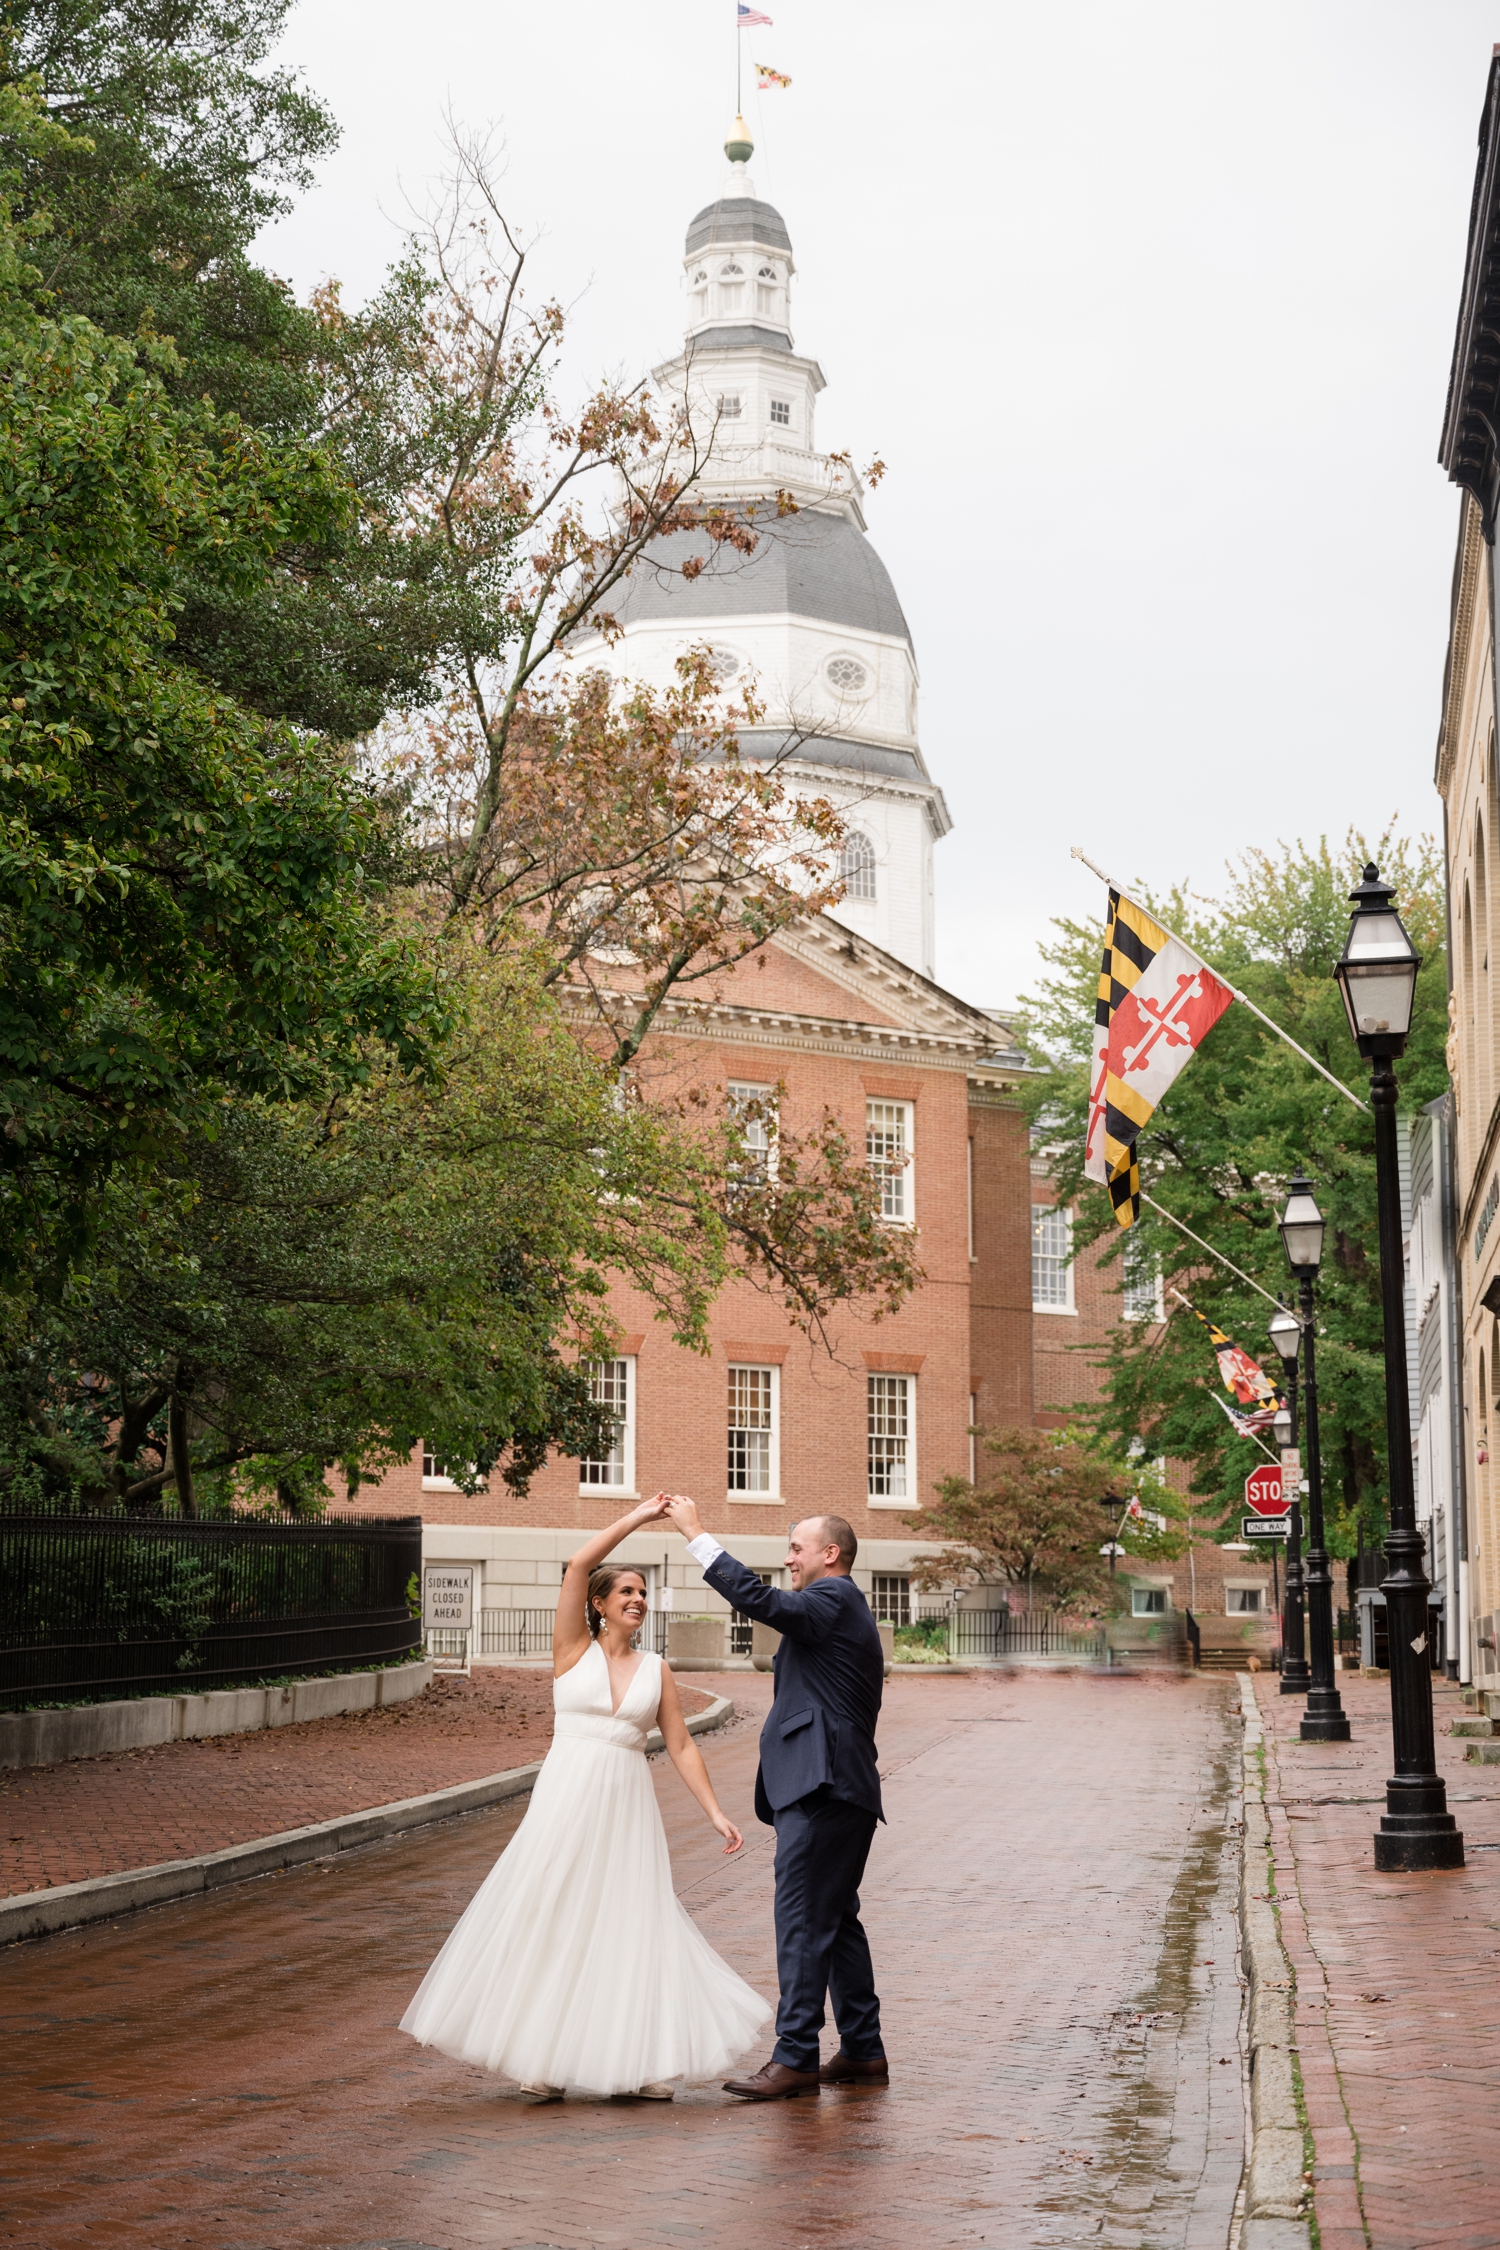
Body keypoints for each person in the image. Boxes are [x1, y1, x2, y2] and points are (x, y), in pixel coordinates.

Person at [399, 1496, 770, 2101]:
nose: (637, 1599)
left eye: (643, 1593)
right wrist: (640, 1518)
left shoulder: (658, 1670)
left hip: (627, 1803)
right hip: (568, 1794)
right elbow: (576, 1564)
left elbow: (678, 1745)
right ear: (599, 1605)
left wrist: (715, 1813)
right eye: (625, 1590)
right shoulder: (572, 1651)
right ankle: (540, 2057)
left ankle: (639, 2059)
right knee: (554, 1912)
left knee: (631, 1919)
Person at [662, 1498, 889, 2100]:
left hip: (823, 1786)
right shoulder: (839, 1608)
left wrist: (696, 1532)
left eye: (796, 1549)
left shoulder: (833, 1598)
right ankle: (864, 2051)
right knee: (834, 1922)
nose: (787, 1558)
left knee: (801, 1922)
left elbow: (763, 1603)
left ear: (830, 1554)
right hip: (840, 1786)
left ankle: (794, 2060)